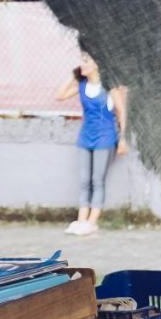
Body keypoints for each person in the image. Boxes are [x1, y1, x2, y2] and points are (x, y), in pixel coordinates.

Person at [54, 52, 128, 236]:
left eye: (86, 61)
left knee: (97, 180)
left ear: (97, 64)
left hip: (105, 137)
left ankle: (92, 222)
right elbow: (60, 95)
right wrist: (72, 75)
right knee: (84, 180)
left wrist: (123, 139)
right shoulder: (81, 85)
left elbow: (122, 113)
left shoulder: (110, 87)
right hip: (85, 137)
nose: (82, 64)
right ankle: (81, 221)